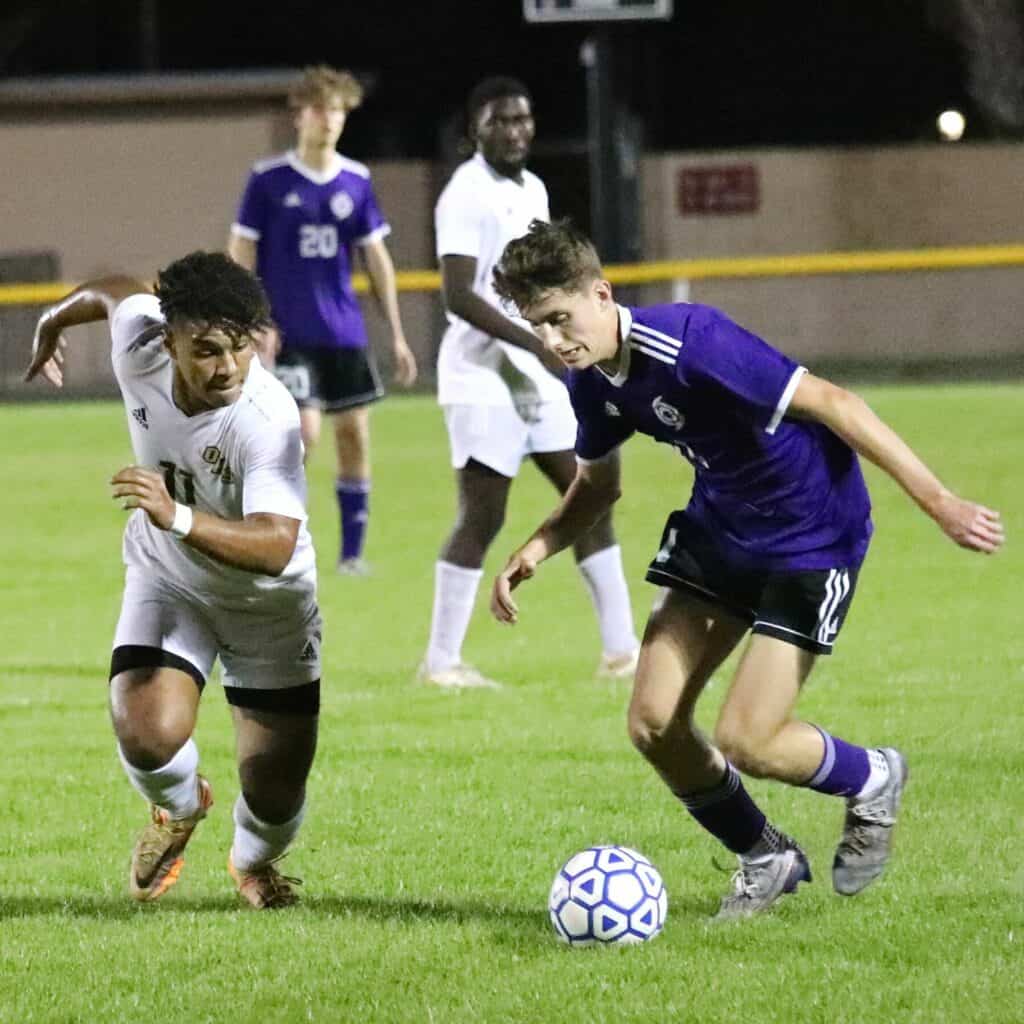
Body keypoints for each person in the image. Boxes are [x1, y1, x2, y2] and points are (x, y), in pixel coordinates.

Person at [489, 219, 1004, 919]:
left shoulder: (693, 340)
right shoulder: (591, 381)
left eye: (559, 319)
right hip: (721, 529)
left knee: (749, 739)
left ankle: (874, 776)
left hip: (811, 535)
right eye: (536, 326)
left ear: (602, 295)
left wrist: (939, 501)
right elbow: (600, 486)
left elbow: (836, 403)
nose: (552, 340)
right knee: (651, 723)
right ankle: (766, 856)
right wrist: (539, 545)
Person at [25, 252, 324, 910]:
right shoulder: (140, 345)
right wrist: (52, 321)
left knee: (275, 790)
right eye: (209, 350)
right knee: (145, 729)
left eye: (241, 349)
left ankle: (253, 862)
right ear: (169, 340)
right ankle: (180, 811)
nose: (228, 368)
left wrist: (177, 513)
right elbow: (116, 289)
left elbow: (277, 544)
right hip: (173, 579)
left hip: (267, 605)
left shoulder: (265, 418)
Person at [421, 77, 639, 689]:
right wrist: (534, 344)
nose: (514, 130)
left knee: (589, 495)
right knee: (483, 516)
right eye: (499, 121)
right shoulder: (465, 194)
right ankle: (441, 662)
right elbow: (458, 294)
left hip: (535, 373)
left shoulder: (533, 189)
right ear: (474, 131)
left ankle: (622, 651)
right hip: (482, 377)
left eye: (522, 119)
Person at [228, 65, 417, 576]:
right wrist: (249, 318)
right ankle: (277, 540)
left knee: (354, 434)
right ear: (300, 116)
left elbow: (376, 258)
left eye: (336, 110)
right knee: (302, 435)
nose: (328, 119)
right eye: (319, 109)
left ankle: (352, 556)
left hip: (343, 332)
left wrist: (396, 334)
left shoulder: (356, 181)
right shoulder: (268, 180)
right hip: (285, 333)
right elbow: (242, 248)